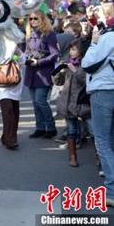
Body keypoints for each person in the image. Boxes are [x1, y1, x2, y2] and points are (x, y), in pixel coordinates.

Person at [82, 2, 114, 207]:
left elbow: (88, 63)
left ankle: (112, 189)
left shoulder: (108, 36)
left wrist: (94, 43)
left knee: (102, 140)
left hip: (104, 90)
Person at [52, 39, 90, 167]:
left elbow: (86, 81)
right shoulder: (68, 64)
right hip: (68, 103)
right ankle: (72, 156)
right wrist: (58, 72)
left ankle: (98, 157)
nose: (71, 52)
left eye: (74, 49)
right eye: (70, 49)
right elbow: (58, 82)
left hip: (82, 102)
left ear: (81, 52)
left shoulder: (86, 64)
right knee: (72, 130)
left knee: (92, 130)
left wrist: (75, 70)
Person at [25, 11, 59, 139]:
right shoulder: (29, 35)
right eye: (31, 19)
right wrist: (27, 57)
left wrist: (39, 62)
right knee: (35, 102)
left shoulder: (49, 34)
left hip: (43, 73)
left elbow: (55, 54)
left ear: (42, 19)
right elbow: (27, 50)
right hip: (31, 73)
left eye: (35, 18)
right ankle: (40, 127)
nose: (32, 21)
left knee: (41, 101)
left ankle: (51, 128)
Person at [0, 44, 25, 150]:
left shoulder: (13, 44)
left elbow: (23, 60)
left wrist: (18, 53)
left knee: (14, 111)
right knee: (8, 110)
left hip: (14, 81)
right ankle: (11, 140)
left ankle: (7, 136)